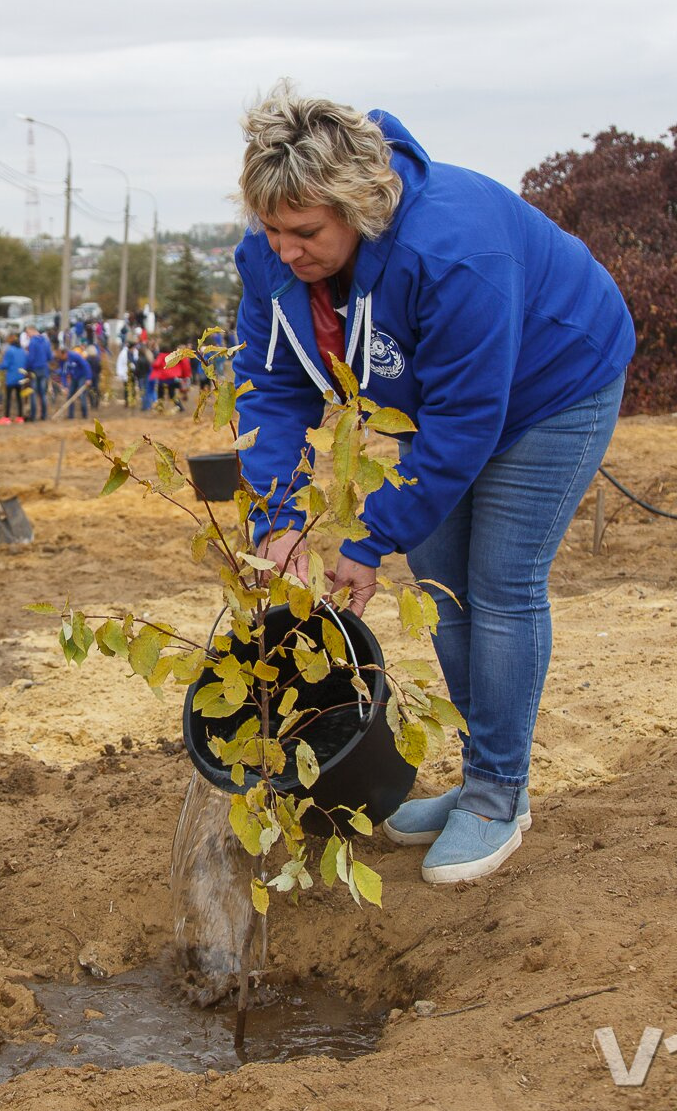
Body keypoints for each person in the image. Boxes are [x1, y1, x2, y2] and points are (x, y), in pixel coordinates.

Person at [232, 87, 633, 884]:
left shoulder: (454, 249)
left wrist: (371, 539)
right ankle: (483, 776)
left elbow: (466, 421)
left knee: (502, 583)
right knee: (445, 587)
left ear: (359, 207)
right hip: (449, 408)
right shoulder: (272, 260)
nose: (285, 250)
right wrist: (276, 518)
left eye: (305, 232)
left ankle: (497, 795)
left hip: (555, 385)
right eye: (271, 229)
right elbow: (271, 389)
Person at [0, 332, 29, 421]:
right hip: (20, 377)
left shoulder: (10, 350)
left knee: (8, 398)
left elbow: (6, 364)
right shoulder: (22, 351)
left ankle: (6, 417)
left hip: (11, 378)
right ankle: (20, 417)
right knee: (19, 398)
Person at [24, 324, 52, 420]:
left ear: (32, 331)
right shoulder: (46, 341)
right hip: (44, 369)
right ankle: (44, 415)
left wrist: (27, 368)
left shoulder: (32, 342)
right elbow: (50, 356)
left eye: (27, 333)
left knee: (33, 393)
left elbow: (30, 358)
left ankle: (33, 416)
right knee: (43, 393)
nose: (27, 335)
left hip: (34, 370)